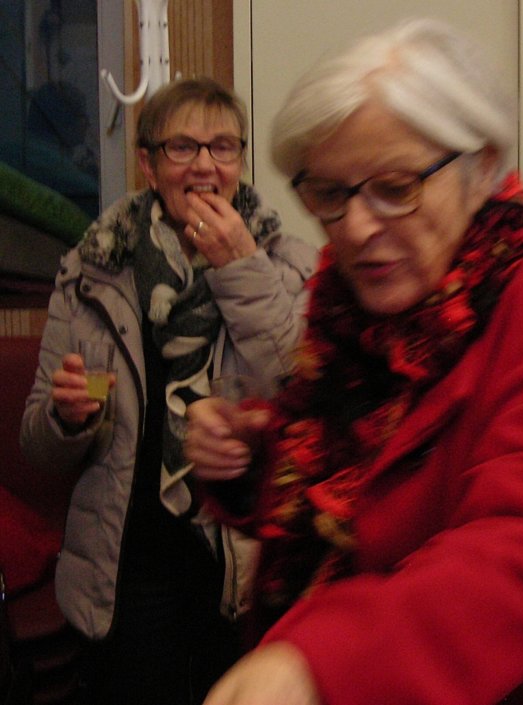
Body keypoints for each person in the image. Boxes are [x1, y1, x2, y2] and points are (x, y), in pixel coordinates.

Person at [184, 19, 523, 705]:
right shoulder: (347, 296)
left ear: (481, 167)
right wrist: (254, 457)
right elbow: (351, 475)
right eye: (328, 194)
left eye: (396, 187)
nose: (356, 228)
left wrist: (317, 662)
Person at [20, 76, 318, 705]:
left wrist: (241, 267)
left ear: (240, 162)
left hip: (241, 564)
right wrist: (66, 419)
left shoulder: (289, 266)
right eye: (183, 147)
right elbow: (38, 449)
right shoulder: (92, 270)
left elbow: (301, 392)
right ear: (148, 165)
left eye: (223, 147)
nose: (205, 165)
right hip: (126, 567)